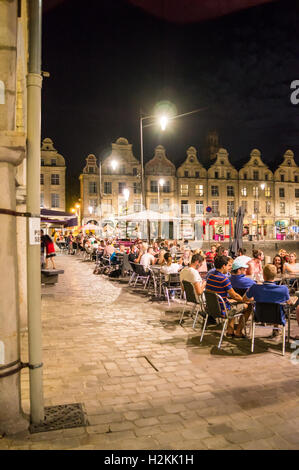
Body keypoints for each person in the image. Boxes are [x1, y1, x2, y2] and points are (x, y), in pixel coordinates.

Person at [206, 255, 252, 338]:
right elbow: (234, 295)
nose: (229, 268)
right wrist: (244, 300)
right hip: (223, 310)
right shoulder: (224, 279)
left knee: (232, 303)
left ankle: (230, 331)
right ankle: (238, 331)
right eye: (228, 266)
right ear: (223, 266)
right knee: (248, 307)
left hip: (212, 309)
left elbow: (214, 293)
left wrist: (229, 300)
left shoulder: (210, 277)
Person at [243, 264, 291, 341]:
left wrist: (254, 298)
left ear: (263, 275)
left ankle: (276, 330)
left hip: (259, 316)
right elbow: (289, 302)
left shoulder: (255, 287)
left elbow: (245, 298)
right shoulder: (283, 289)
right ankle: (276, 329)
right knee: (278, 305)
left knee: (271, 302)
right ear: (275, 276)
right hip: (277, 318)